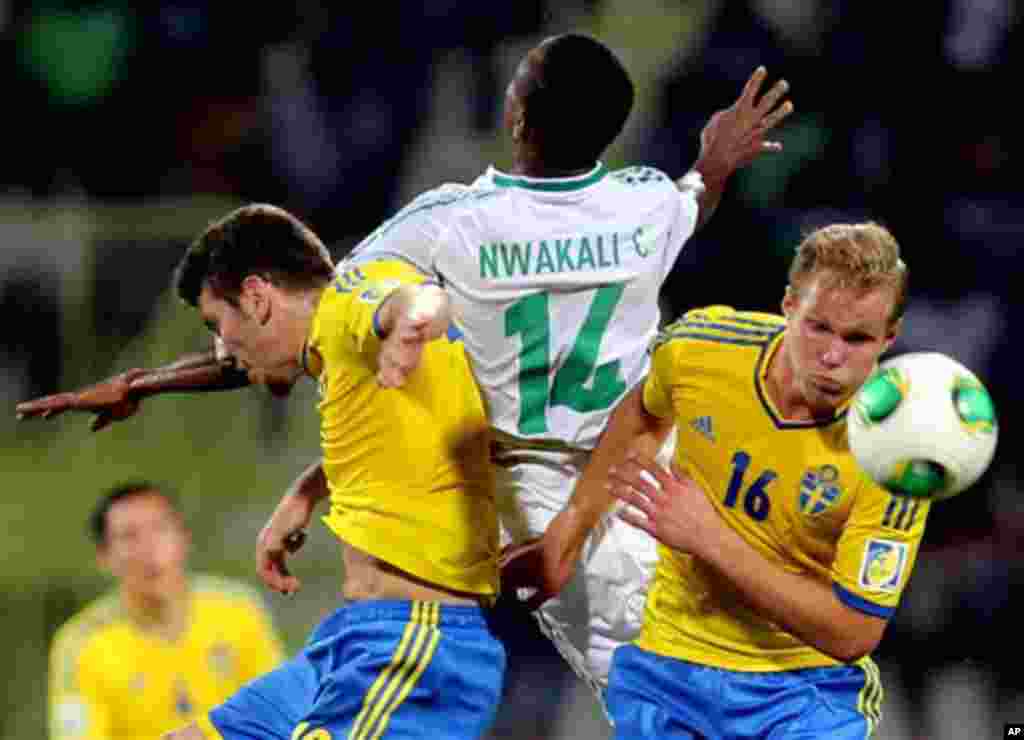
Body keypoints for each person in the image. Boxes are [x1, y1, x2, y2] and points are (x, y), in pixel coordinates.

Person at [18, 33, 792, 723]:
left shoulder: (452, 222)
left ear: (518, 120)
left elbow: (310, 319)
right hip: (645, 476)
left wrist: (148, 382)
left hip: (524, 491)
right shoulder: (646, 205)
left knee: (682, 708)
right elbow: (701, 196)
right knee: (719, 680)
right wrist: (714, 155)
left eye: (516, 88)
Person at [512, 222, 927, 737]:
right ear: (788, 306)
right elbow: (645, 410)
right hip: (670, 669)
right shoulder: (702, 349)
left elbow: (853, 631)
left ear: (889, 337)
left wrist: (709, 537)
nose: (833, 356)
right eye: (818, 327)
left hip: (803, 693)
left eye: (858, 338)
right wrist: (569, 529)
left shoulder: (897, 453)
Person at [159, 204, 504, 739]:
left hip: (416, 646)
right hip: (356, 638)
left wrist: (411, 323)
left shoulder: (348, 300)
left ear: (256, 297)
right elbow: (394, 439)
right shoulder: (335, 355)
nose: (221, 348)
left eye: (217, 325)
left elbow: (418, 299)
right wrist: (305, 492)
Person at [49, 482, 286, 740]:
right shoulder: (80, 644)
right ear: (104, 557)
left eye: (159, 529)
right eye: (129, 536)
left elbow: (279, 714)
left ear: (184, 538)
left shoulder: (238, 609)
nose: (149, 549)